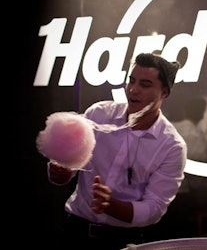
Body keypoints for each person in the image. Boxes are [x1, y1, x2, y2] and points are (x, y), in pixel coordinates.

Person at [47, 53, 187, 250]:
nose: (133, 90)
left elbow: (154, 208)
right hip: (74, 232)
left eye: (145, 85)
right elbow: (68, 167)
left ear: (165, 92)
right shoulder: (98, 114)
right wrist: (61, 170)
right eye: (131, 81)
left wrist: (111, 206)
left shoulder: (171, 146)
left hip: (124, 241)